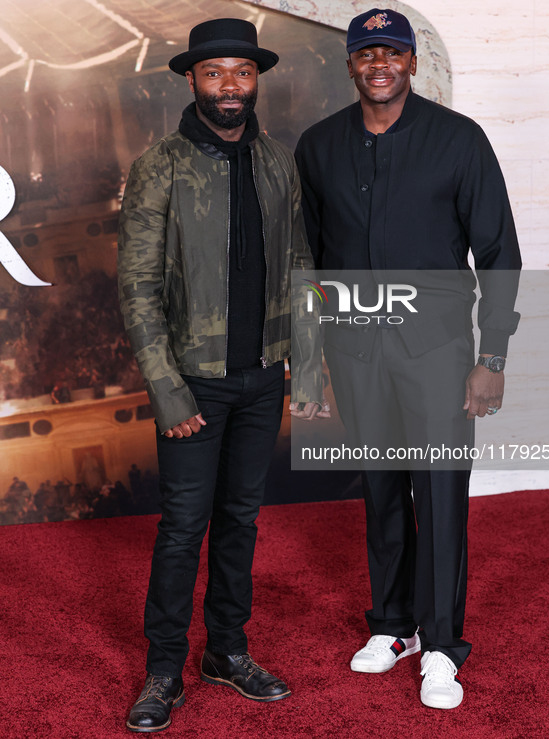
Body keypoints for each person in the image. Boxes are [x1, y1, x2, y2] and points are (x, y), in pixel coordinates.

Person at [295, 8, 521, 710]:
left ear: (413, 63)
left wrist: (491, 356)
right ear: (351, 65)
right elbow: (307, 260)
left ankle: (443, 645)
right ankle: (393, 627)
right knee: (382, 489)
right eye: (367, 55)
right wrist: (310, 361)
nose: (379, 65)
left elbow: (498, 255)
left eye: (393, 53)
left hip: (439, 352)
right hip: (355, 347)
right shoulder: (319, 146)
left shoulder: (459, 140)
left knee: (441, 494)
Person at [118, 18, 323, 733]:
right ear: (192, 81)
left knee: (240, 520)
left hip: (262, 376)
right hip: (192, 384)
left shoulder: (276, 160)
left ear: (254, 79)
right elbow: (138, 287)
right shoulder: (159, 166)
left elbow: (301, 268)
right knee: (182, 527)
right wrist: (167, 388)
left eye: (240, 72)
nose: (229, 86)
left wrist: (308, 367)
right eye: (214, 74)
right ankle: (165, 668)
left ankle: (227, 652)